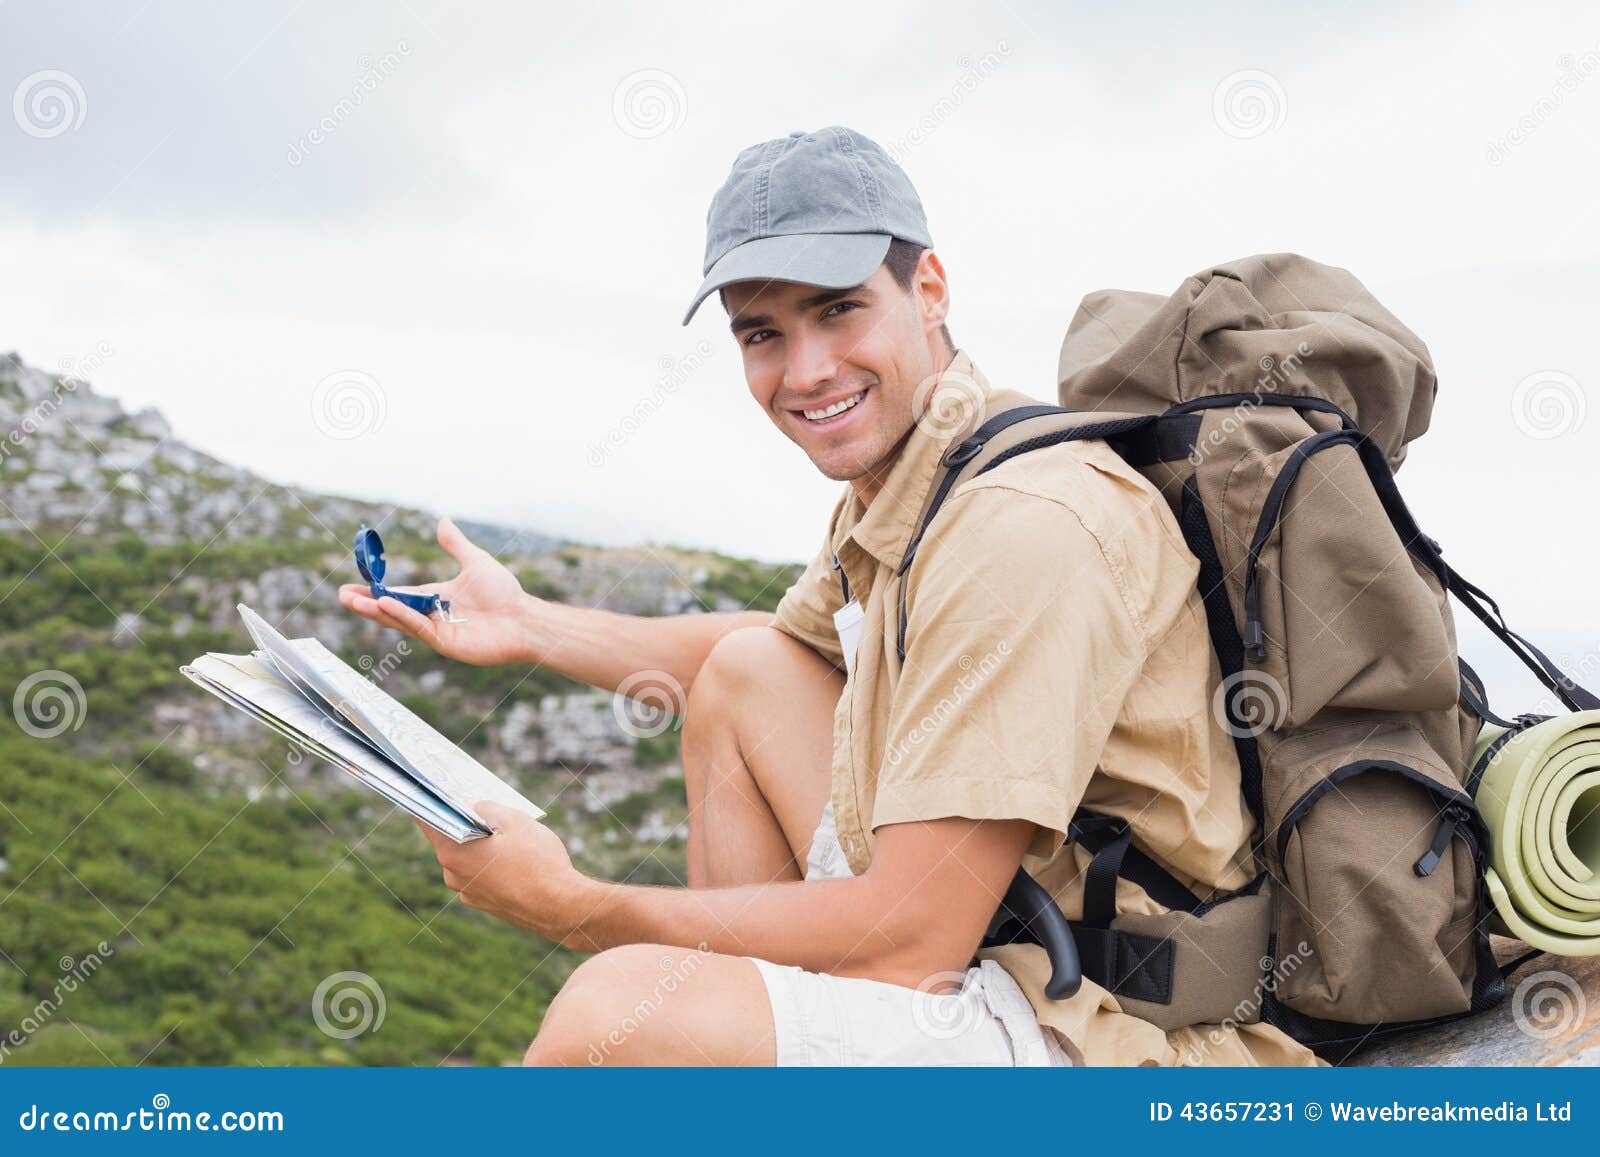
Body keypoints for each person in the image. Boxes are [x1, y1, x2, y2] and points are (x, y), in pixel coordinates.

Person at [338, 126, 1321, 1067]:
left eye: (838, 310)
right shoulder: (924, 468)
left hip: (1114, 1028)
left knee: (612, 1013)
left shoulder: (1023, 522)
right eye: (762, 333)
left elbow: (907, 936)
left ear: (926, 288)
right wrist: (532, 626)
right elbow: (793, 645)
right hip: (1014, 932)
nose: (804, 373)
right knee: (747, 672)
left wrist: (575, 904)